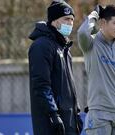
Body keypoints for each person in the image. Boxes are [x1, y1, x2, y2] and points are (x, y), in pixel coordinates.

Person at [77, 4, 115, 135]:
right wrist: (94, 15)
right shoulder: (90, 43)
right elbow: (82, 32)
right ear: (103, 22)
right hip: (99, 114)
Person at [28, 1, 82, 135]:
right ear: (54, 21)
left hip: (68, 120)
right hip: (51, 122)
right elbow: (41, 85)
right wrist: (53, 114)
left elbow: (69, 87)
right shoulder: (41, 46)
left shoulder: (64, 48)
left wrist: (76, 113)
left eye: (71, 19)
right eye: (66, 19)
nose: (70, 23)